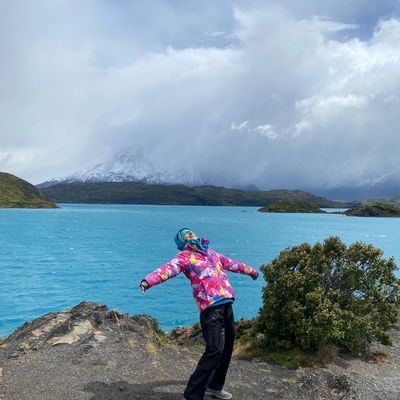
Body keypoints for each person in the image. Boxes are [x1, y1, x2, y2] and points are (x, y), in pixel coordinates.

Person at [139, 228, 258, 400]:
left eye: (190, 232)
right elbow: (167, 269)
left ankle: (215, 386)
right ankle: (192, 395)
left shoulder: (211, 253)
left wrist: (251, 271)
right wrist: (148, 281)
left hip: (226, 303)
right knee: (214, 349)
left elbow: (232, 263)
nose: (189, 234)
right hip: (210, 307)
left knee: (226, 347)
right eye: (184, 235)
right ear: (182, 242)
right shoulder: (184, 257)